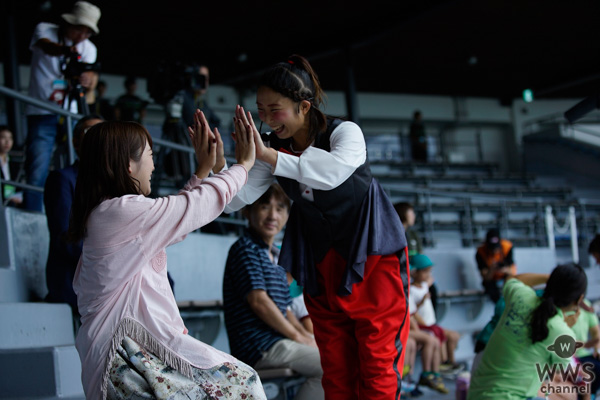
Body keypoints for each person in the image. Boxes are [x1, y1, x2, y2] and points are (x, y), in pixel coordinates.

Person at [223, 54, 409, 400]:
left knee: (377, 364)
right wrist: (214, 169)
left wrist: (266, 156)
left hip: (371, 257)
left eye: (273, 109)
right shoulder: (272, 150)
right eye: (259, 110)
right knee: (336, 369)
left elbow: (332, 173)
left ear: (304, 107)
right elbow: (239, 197)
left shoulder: (345, 132)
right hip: (321, 263)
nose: (264, 119)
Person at [67, 112, 265, 399]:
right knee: (242, 383)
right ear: (128, 165)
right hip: (127, 360)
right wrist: (244, 166)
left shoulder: (112, 213)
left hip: (129, 356)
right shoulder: (119, 212)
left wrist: (202, 171)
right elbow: (190, 207)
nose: (154, 165)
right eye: (150, 155)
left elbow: (176, 221)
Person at [223, 183, 324, 400]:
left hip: (278, 343)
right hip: (260, 347)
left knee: (331, 353)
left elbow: (284, 308)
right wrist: (299, 336)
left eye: (280, 209)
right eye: (264, 207)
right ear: (247, 211)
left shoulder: (276, 254)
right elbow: (259, 302)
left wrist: (307, 336)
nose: (272, 215)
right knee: (332, 365)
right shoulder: (245, 249)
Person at [467, 263, 588, 400]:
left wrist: (550, 279)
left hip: (476, 395)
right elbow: (560, 372)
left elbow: (513, 280)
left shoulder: (520, 296)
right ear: (579, 299)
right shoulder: (562, 331)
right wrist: (567, 326)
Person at [24, 1, 101, 212]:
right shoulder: (45, 29)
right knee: (38, 167)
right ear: (68, 22)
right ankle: (31, 213)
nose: (82, 35)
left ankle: (75, 214)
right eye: (79, 28)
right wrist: (67, 51)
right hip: (42, 111)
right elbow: (45, 46)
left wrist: (89, 79)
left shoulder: (89, 48)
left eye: (87, 32)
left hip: (71, 116)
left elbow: (91, 77)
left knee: (81, 166)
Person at [44, 114, 103, 319]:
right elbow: (66, 238)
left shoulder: (116, 185)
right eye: (90, 133)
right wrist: (111, 261)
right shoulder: (62, 179)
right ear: (76, 142)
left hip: (107, 284)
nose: (97, 139)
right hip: (74, 284)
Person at [409, 254, 462, 374]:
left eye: (429, 271)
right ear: (414, 273)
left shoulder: (423, 286)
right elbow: (413, 312)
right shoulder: (411, 290)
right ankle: (441, 363)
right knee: (437, 334)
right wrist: (422, 302)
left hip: (431, 323)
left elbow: (428, 281)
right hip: (423, 324)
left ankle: (450, 362)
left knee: (453, 335)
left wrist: (427, 273)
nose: (428, 274)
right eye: (425, 272)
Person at [403, 314, 448, 395]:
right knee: (428, 340)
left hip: (406, 327)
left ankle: (410, 378)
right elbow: (411, 316)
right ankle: (424, 375)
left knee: (413, 343)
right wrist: (419, 334)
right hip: (397, 328)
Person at [476, 228, 517, 303]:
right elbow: (485, 277)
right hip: (491, 278)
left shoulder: (507, 247)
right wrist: (492, 269)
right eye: (492, 248)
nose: (494, 251)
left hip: (505, 276)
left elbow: (512, 272)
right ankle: (499, 305)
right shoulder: (480, 252)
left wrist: (504, 270)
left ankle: (513, 302)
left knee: (513, 281)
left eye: (496, 247)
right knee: (488, 285)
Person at [571, 298, 600, 400]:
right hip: (568, 358)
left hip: (583, 354)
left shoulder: (585, 305)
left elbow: (596, 332)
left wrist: (597, 349)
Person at [0, 126, 23, 206]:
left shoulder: (14, 164)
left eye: (10, 138)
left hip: (13, 200)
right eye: (3, 137)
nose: (7, 142)